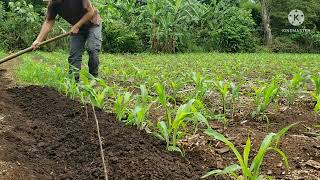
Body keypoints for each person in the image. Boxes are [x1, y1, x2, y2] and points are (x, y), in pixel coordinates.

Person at [32, 0, 102, 82]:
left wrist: (77, 25)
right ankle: (73, 82)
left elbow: (90, 12)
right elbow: (49, 21)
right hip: (76, 29)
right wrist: (38, 40)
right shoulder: (53, 4)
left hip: (93, 24)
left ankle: (93, 79)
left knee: (93, 49)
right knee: (74, 55)